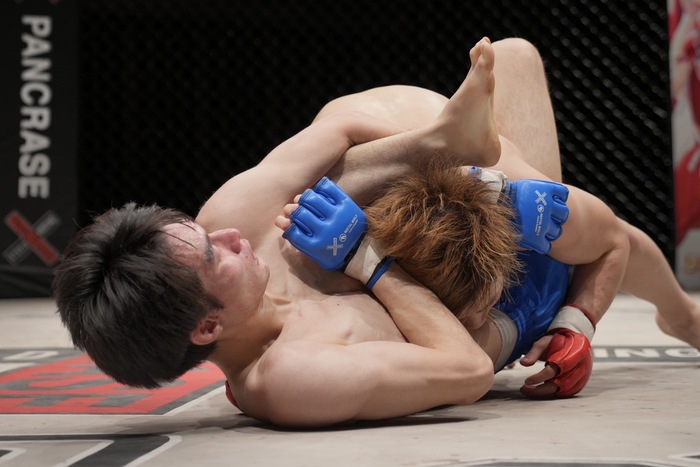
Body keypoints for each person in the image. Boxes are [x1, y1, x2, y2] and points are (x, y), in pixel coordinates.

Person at [52, 38, 700, 427]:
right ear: (207, 327)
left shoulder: (231, 217)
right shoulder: (290, 376)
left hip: (473, 219)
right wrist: (366, 260)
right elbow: (466, 370)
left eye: (199, 230)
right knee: (596, 231)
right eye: (211, 256)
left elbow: (341, 125)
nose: (227, 236)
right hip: (500, 314)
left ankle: (453, 144)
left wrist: (468, 164)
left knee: (512, 60)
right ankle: (673, 309)